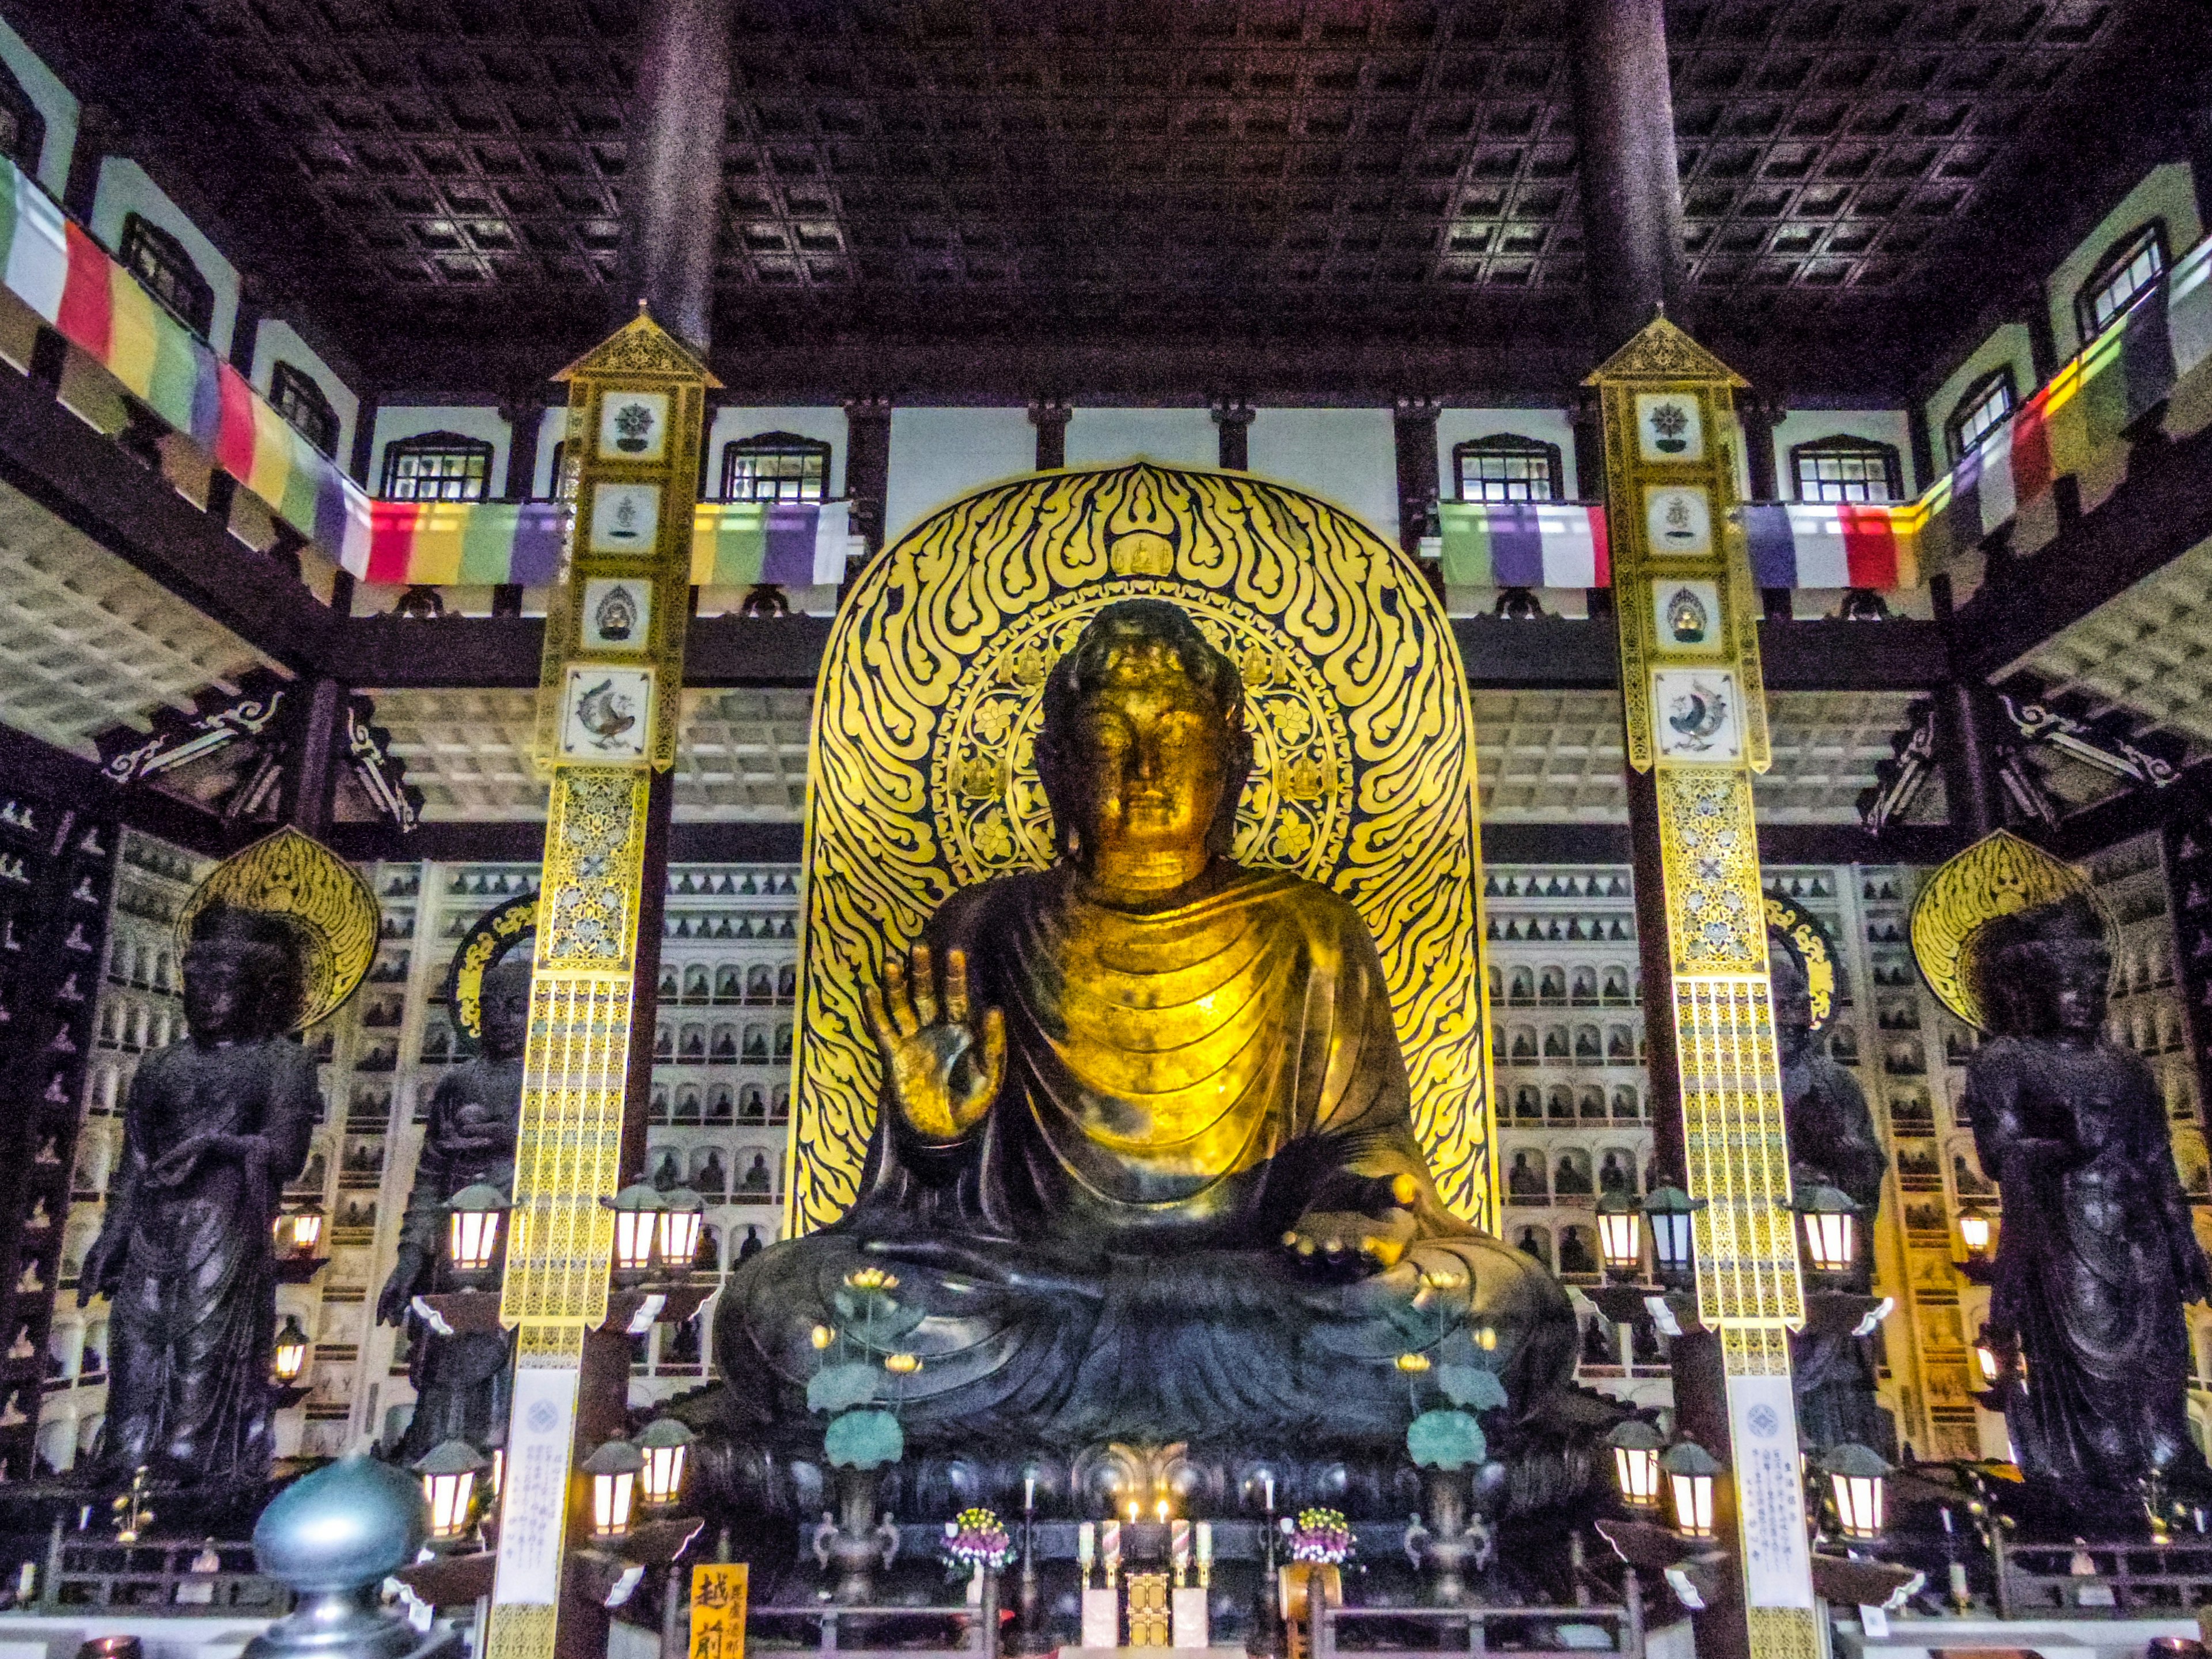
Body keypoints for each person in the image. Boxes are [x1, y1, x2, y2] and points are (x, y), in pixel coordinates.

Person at [719, 600, 1574, 1451]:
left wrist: (1352, 1208)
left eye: (1176, 734)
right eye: (1103, 738)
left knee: (1503, 1305)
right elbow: (911, 1218)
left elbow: (1366, 1140)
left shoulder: (1309, 925)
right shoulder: (984, 924)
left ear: (1231, 763)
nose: (1143, 765)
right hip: (1030, 1288)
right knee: (785, 1304)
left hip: (1258, 1287)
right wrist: (936, 1142)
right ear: (1056, 768)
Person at [1965, 895, 2211, 1517]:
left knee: (2159, 1369)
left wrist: (2184, 1242)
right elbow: (1999, 1156)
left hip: (2139, 1233)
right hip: (2064, 1233)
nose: (2082, 998)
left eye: (2093, 985)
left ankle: (2169, 1466)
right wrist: (2063, 1148)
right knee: (2090, 1374)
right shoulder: (2007, 1060)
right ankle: (2098, 1483)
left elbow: (2158, 1160)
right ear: (2028, 992)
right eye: (2066, 986)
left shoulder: (2127, 1068)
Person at [79, 907, 317, 1488]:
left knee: (201, 1344)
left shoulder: (281, 1061)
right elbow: (136, 1161)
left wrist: (220, 1143)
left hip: (226, 1218)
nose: (207, 998)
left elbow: (286, 1154)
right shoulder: (162, 1067)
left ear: (261, 993)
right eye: (197, 986)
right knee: (137, 1339)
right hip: (155, 1223)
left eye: (225, 986)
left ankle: (192, 1448)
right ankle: (129, 1443)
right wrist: (111, 1239)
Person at [377, 955, 531, 1462]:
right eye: (492, 1006)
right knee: (448, 1375)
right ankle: (439, 1472)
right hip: (455, 1251)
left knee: (508, 1380)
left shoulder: (554, 1088)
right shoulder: (458, 1084)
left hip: (522, 1250)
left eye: (518, 1007)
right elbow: (428, 1178)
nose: (504, 1020)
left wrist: (515, 1142)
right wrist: (409, 1257)